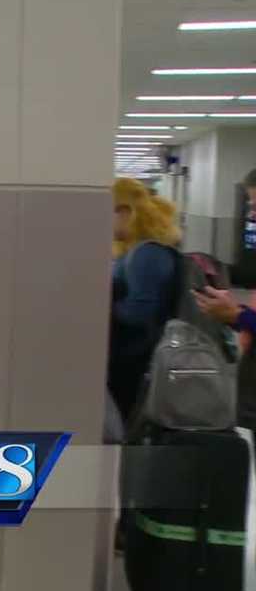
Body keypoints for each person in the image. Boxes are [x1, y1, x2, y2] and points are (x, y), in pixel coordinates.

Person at [108, 178, 180, 421]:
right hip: (131, 357)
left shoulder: (146, 254)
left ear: (125, 212)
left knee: (125, 422)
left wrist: (102, 306)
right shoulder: (134, 252)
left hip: (137, 360)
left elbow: (140, 311)